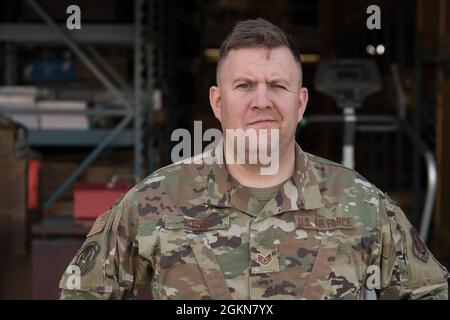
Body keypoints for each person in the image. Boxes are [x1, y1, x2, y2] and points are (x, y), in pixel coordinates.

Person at [60, 18, 448, 300]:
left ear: (300, 103)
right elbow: (83, 293)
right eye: (244, 85)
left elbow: (427, 291)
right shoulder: (154, 201)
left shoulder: (361, 202)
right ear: (217, 101)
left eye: (277, 86)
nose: (262, 101)